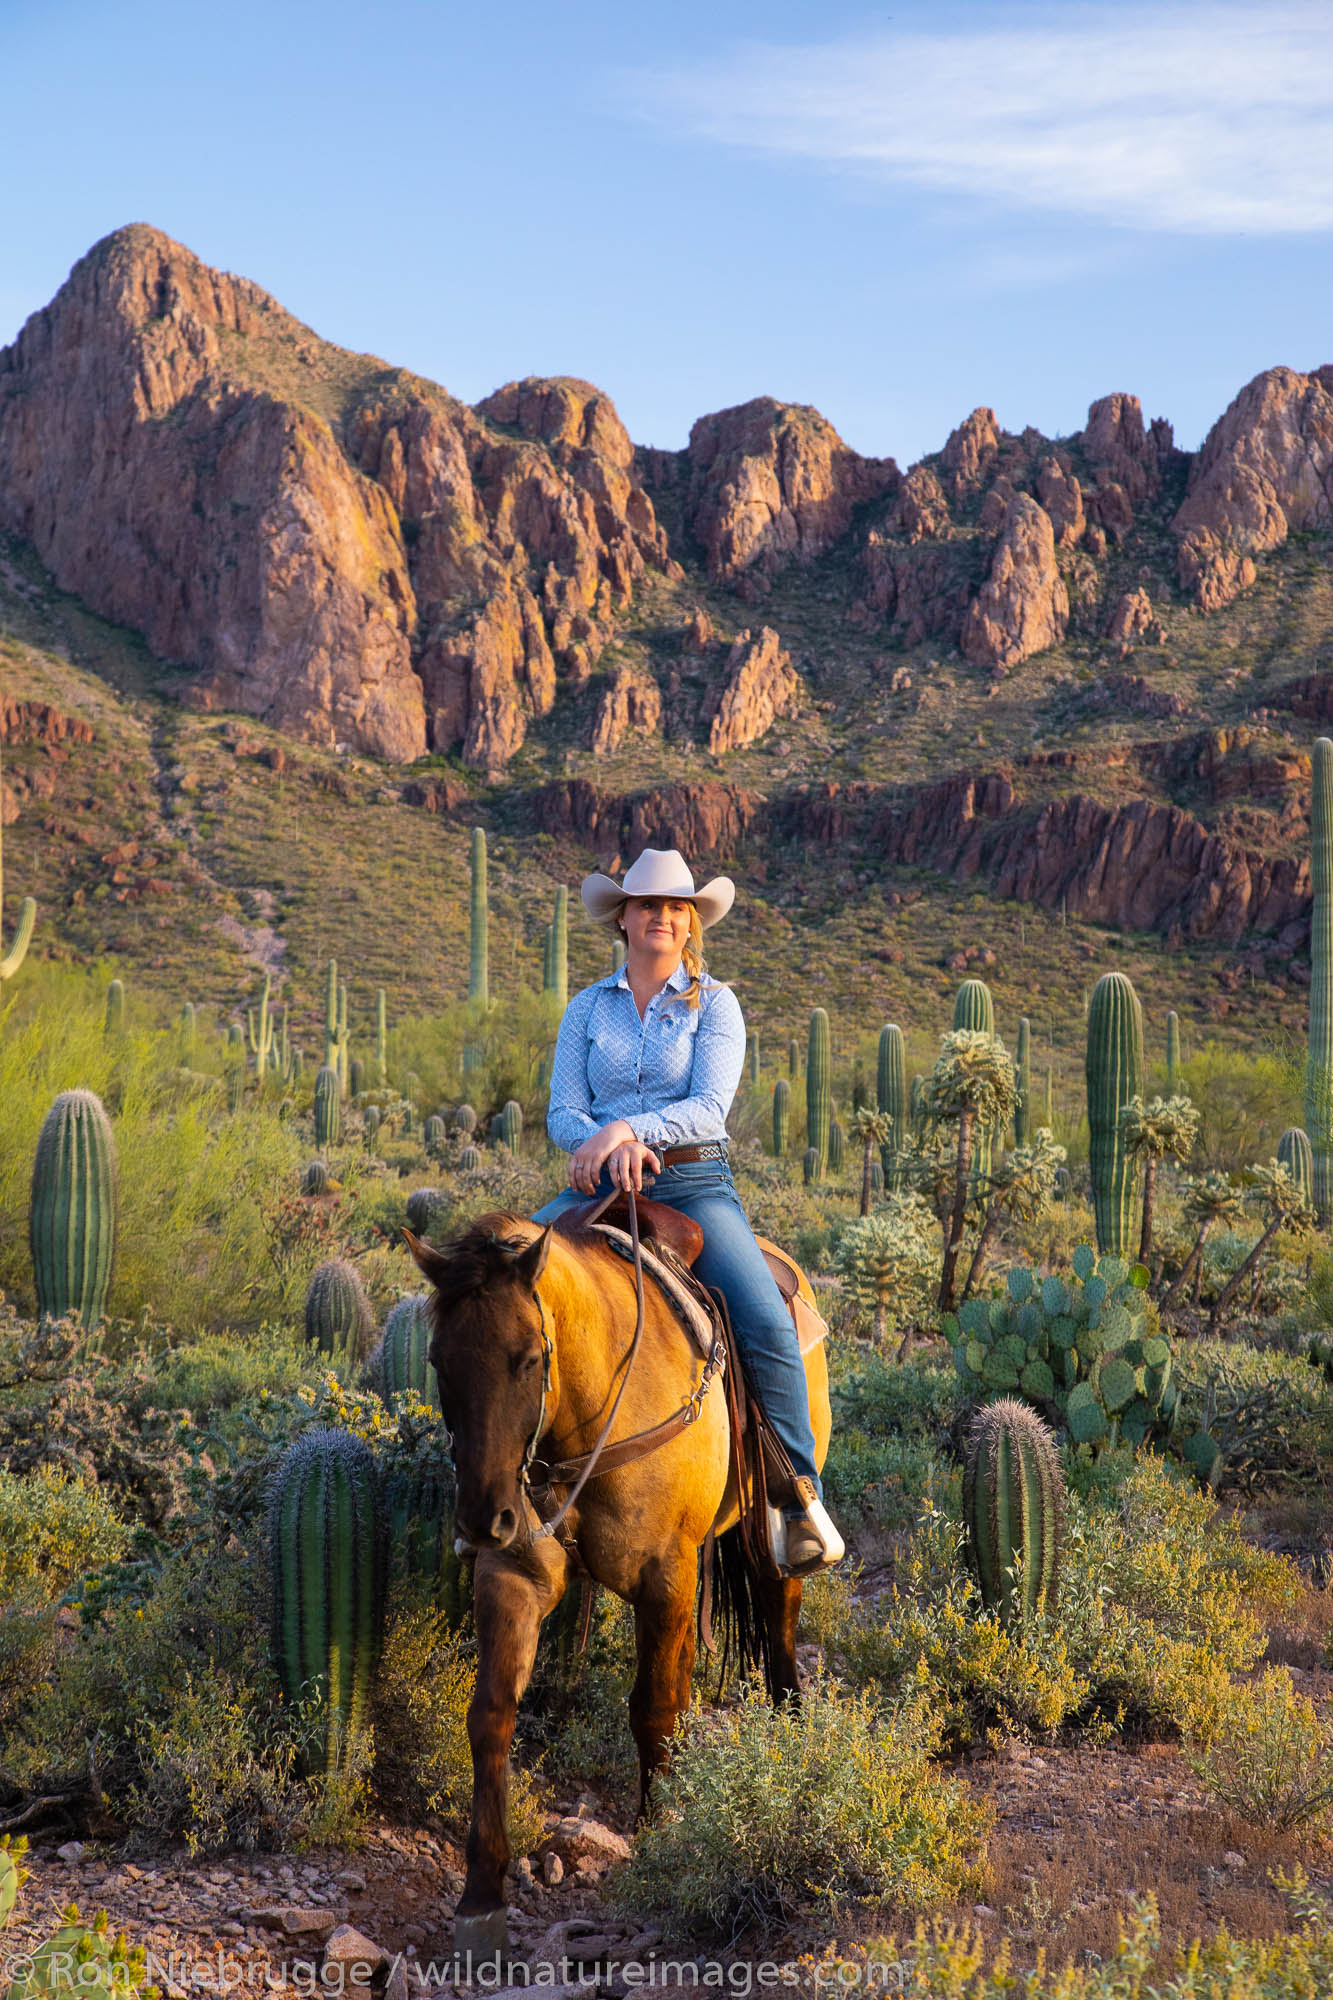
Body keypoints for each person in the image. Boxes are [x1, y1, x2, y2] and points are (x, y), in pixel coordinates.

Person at [532, 847, 843, 1574]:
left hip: (691, 1182)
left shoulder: (717, 1004)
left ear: (691, 922)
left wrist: (628, 1130)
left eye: (677, 908)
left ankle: (797, 1497)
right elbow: (561, 1111)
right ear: (623, 918)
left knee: (764, 1315)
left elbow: (707, 1107)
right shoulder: (587, 1007)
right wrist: (601, 1143)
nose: (662, 918)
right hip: (599, 1187)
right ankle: (492, 1481)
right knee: (498, 1285)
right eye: (648, 906)